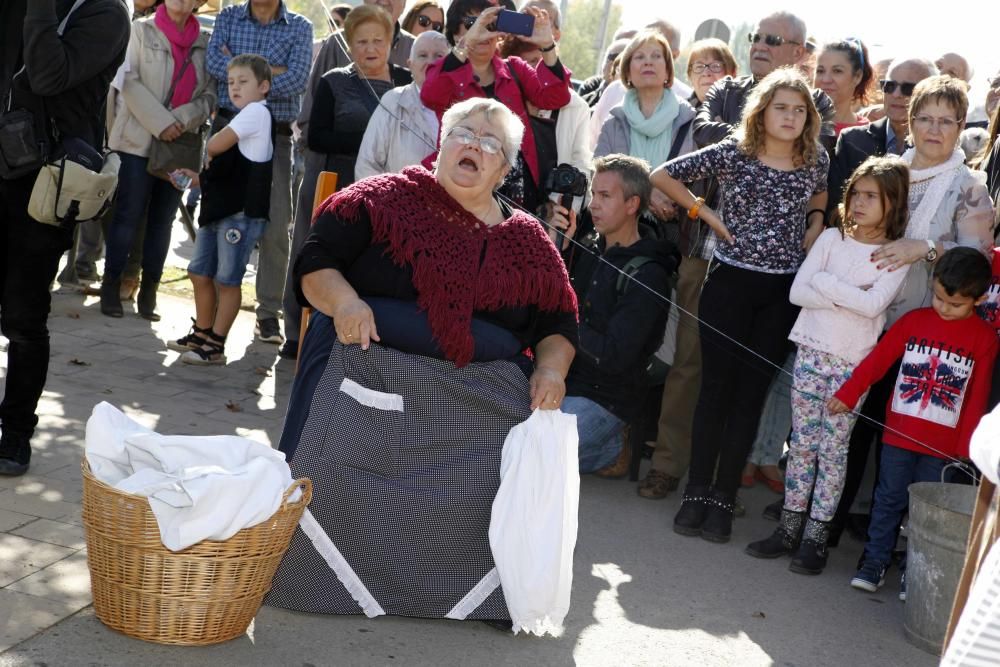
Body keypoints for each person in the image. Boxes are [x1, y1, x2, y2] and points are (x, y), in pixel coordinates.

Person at [264, 98, 578, 620]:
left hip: (476, 403)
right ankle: (312, 581)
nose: (475, 145)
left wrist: (550, 369)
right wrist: (345, 302)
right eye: (465, 133)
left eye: (492, 142)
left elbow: (560, 323)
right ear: (441, 143)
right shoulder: (378, 199)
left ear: (505, 167)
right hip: (367, 374)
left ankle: (459, 598)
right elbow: (316, 261)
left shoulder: (528, 240)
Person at [651, 68, 830, 543]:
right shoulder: (736, 152)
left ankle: (723, 499)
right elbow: (662, 175)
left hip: (781, 295)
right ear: (762, 112)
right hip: (728, 284)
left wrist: (814, 220)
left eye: (799, 110)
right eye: (781, 107)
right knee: (715, 391)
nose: (790, 117)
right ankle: (696, 493)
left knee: (749, 398)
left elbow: (821, 190)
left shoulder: (815, 158)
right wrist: (703, 212)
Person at [830, 74, 996, 546]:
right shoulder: (887, 173)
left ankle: (882, 538)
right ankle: (827, 522)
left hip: (923, 332)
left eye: (947, 121)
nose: (934, 129)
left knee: (893, 435)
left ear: (961, 126)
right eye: (926, 118)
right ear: (910, 120)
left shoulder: (971, 190)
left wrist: (921, 247)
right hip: (859, 316)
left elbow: (976, 262)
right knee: (850, 426)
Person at [745, 156, 910, 574]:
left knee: (833, 452)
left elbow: (875, 305)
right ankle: (789, 528)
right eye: (855, 193)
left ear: (892, 203)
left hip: (851, 367)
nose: (859, 203)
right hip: (811, 352)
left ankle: (816, 539)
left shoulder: (893, 257)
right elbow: (799, 292)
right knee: (801, 443)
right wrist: (846, 293)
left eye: (871, 196)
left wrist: (828, 285)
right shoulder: (831, 239)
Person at [0, 0, 130, 476]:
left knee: (22, 317)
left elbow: (48, 75)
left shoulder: (107, 13)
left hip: (47, 186)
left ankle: (14, 434)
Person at [830, 248, 997, 594]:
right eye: (938, 298)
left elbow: (977, 396)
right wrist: (848, 394)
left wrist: (965, 448)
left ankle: (914, 569)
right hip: (897, 436)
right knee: (888, 499)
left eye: (955, 304)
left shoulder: (985, 339)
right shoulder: (912, 322)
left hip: (943, 449)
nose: (943, 308)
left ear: (979, 299)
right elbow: (877, 361)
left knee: (925, 511)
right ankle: (874, 561)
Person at [637, 36, 739, 499]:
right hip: (696, 251)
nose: (708, 72)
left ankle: (717, 479)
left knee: (732, 372)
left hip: (752, 263)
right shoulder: (690, 119)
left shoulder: (767, 112)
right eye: (699, 65)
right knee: (686, 363)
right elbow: (671, 172)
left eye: (717, 65)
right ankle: (667, 463)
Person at [547, 155, 675, 474]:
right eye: (593, 194)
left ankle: (614, 448)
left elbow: (613, 356)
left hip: (606, 399)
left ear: (633, 204)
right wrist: (559, 247)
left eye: (605, 196)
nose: (593, 205)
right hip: (563, 377)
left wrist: (565, 318)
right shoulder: (589, 246)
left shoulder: (649, 274)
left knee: (540, 456)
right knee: (506, 436)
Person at [99, 0, 216, 321]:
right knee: (127, 213)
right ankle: (111, 287)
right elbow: (126, 80)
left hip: (180, 145)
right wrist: (160, 121)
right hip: (135, 140)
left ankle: (149, 291)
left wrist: (180, 119)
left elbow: (210, 94)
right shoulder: (139, 30)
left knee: (162, 221)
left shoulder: (206, 42)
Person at [207, 0, 313, 348]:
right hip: (225, 129)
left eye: (257, 80)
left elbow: (297, 79)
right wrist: (268, 74)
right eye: (241, 79)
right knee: (214, 218)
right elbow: (213, 62)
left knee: (275, 225)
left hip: (276, 135)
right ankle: (208, 314)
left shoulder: (300, 26)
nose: (246, 83)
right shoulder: (226, 16)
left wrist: (238, 70)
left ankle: (268, 313)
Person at [167, 55, 274, 365]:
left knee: (227, 280)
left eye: (243, 82)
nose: (235, 88)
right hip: (219, 210)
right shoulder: (243, 119)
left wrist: (212, 149)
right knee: (199, 271)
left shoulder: (256, 112)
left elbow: (214, 146)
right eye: (230, 83)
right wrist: (199, 177)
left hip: (239, 215)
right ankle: (201, 332)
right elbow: (227, 167)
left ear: (263, 87)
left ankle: (215, 344)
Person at [421, 1, 571, 212]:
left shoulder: (515, 68)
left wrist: (547, 45)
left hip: (516, 191)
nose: (482, 29)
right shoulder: (448, 72)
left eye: (489, 22)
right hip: (463, 187)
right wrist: (466, 44)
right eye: (472, 22)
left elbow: (556, 97)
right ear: (455, 33)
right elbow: (430, 96)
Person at [594, 30, 696, 232]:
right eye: (640, 57)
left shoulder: (689, 121)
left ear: (668, 72)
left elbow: (694, 179)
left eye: (656, 56)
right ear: (628, 72)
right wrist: (648, 193)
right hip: (619, 232)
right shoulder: (613, 122)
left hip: (670, 235)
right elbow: (601, 179)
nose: (648, 62)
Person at [692, 11, 834, 151]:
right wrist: (777, 140)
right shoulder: (725, 91)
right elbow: (700, 131)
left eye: (772, 40)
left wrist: (734, 141)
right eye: (756, 38)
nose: (759, 46)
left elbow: (815, 153)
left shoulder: (817, 102)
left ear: (797, 53)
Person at [308, 5, 412, 186]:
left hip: (396, 188)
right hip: (344, 186)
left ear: (389, 42)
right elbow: (316, 139)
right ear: (349, 45)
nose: (370, 49)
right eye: (362, 42)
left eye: (378, 40)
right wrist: (368, 139)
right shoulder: (333, 81)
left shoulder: (408, 81)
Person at [826, 57, 937, 217]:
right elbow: (835, 207)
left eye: (908, 89)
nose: (896, 94)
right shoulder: (852, 141)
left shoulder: (939, 147)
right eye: (889, 86)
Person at [355, 30, 447, 180]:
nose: (431, 62)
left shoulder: (463, 106)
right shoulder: (393, 101)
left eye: (439, 56)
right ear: (410, 65)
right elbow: (367, 165)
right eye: (423, 55)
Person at [814, 39, 874, 137]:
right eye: (820, 71)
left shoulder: (867, 134)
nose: (826, 79)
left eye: (837, 71)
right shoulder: (796, 123)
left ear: (857, 76)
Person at [578, 38, 629, 108]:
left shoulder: (638, 105)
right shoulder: (584, 102)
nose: (612, 64)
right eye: (610, 58)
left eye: (621, 60)